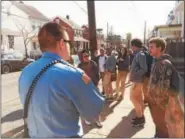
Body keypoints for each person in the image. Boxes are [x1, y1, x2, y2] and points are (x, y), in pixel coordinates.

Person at [19, 22, 105, 138]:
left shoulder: (25, 71)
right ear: (61, 43)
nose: (70, 46)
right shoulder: (72, 73)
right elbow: (93, 111)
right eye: (69, 42)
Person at [147, 37, 184, 138]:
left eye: (151, 47)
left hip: (161, 102)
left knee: (163, 124)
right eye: (149, 47)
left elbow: (163, 87)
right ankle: (159, 135)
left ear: (160, 48)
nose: (149, 49)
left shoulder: (164, 63)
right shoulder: (156, 61)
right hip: (155, 101)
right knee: (158, 123)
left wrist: (158, 103)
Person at [129, 38, 148, 127]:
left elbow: (144, 69)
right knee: (139, 99)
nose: (131, 47)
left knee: (132, 98)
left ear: (134, 46)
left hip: (137, 81)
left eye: (131, 45)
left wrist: (134, 73)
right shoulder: (138, 54)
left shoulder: (140, 55)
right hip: (137, 80)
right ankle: (140, 116)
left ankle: (140, 117)